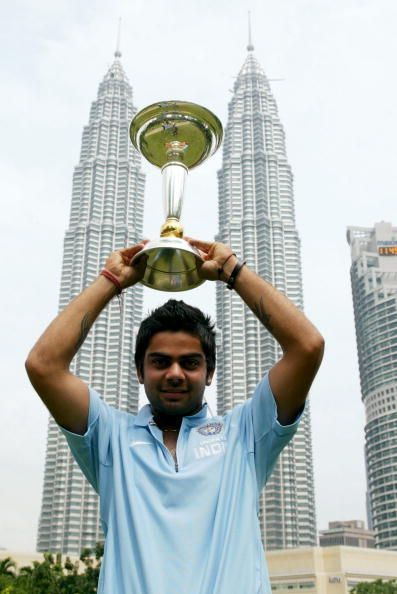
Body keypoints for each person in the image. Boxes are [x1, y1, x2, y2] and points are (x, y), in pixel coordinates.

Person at [26, 238, 324, 594]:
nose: (175, 373)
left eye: (191, 363)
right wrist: (111, 279)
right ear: (140, 370)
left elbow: (308, 347)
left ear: (209, 372)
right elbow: (43, 366)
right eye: (160, 361)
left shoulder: (245, 435)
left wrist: (232, 270)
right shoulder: (110, 439)